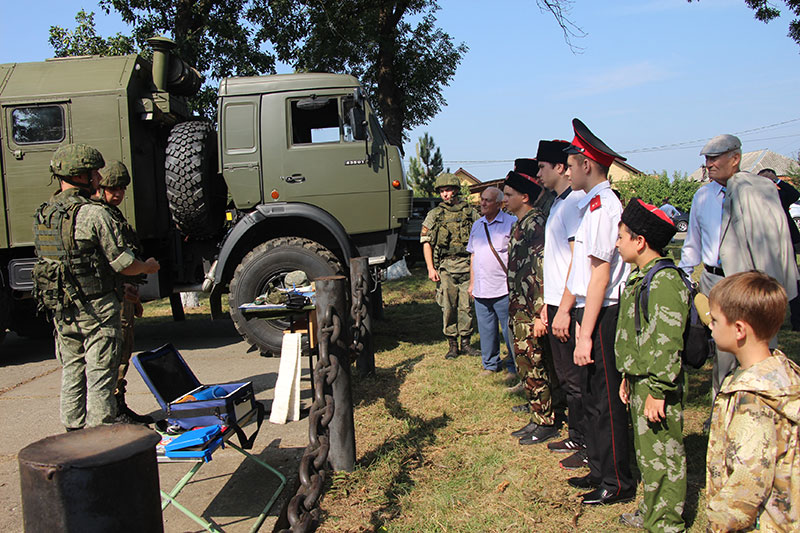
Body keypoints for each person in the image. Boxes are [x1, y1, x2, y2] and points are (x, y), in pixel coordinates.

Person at [32, 144, 161, 431]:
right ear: (80, 176)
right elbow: (124, 264)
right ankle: (101, 439)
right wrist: (147, 267)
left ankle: (73, 432)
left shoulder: (45, 214)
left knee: (72, 370)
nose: (98, 179)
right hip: (97, 309)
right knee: (101, 374)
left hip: (62, 309)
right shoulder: (93, 214)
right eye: (94, 174)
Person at [680, 134, 798, 400]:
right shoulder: (702, 196)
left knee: (757, 348)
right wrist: (685, 275)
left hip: (748, 281)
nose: (708, 164)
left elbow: (774, 238)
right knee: (723, 352)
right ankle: (721, 407)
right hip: (714, 281)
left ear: (735, 158)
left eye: (714, 158)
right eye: (706, 159)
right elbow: (693, 242)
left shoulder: (759, 190)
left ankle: (762, 402)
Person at [562, 119, 634, 505]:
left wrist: (586, 333)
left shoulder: (605, 207)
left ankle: (617, 480)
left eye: (571, 165)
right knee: (592, 397)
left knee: (606, 400)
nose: (567, 172)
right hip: (588, 311)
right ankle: (599, 467)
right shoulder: (591, 206)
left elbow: (600, 274)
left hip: (602, 313)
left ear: (587, 164)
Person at [705, 271, 800, 532]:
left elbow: (747, 482)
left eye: (715, 320)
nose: (710, 325)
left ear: (739, 330)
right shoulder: (781, 374)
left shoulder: (753, 401)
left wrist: (718, 524)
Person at [615, 199, 687, 532]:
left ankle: (667, 523)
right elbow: (639, 335)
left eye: (621, 237)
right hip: (641, 379)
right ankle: (652, 510)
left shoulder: (663, 281)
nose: (617, 243)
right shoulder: (642, 276)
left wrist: (659, 390)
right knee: (648, 455)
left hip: (657, 383)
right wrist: (628, 376)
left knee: (664, 456)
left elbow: (668, 341)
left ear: (640, 241)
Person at [536, 139, 589, 469]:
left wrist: (565, 308)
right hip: (556, 301)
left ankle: (585, 440)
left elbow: (575, 261)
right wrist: (548, 303)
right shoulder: (559, 203)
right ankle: (577, 434)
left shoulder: (575, 203)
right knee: (566, 375)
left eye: (543, 167)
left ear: (559, 168)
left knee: (576, 378)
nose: (538, 173)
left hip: (569, 303)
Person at [503, 166, 559, 445]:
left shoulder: (535, 224)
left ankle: (545, 421)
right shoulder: (519, 224)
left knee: (534, 364)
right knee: (526, 364)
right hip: (519, 306)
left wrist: (540, 313)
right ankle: (537, 415)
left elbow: (542, 270)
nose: (504, 200)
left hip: (531, 310)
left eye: (508, 194)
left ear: (524, 197)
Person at [95, 161, 153, 424]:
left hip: (125, 294)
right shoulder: (99, 216)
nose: (118, 194)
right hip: (113, 296)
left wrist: (135, 297)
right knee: (115, 353)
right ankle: (114, 411)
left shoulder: (112, 214)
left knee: (124, 350)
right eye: (113, 189)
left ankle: (119, 405)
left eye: (122, 189)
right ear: (101, 188)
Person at [421, 172, 480, 358]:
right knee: (448, 307)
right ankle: (452, 344)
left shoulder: (470, 213)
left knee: (466, 307)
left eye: (448, 190)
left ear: (456, 190)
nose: (445, 194)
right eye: (442, 191)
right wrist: (430, 268)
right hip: (446, 267)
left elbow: (482, 237)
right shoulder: (435, 215)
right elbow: (426, 242)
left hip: (467, 265)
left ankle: (466, 343)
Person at [466, 186, 517, 377]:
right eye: (482, 199)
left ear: (499, 204)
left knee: (509, 331)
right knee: (486, 330)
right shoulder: (477, 225)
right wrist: (472, 283)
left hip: (503, 288)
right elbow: (473, 256)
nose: (483, 203)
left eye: (487, 200)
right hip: (481, 288)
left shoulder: (511, 223)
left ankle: (514, 366)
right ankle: (490, 364)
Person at [757, 167, 800, 330]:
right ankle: (772, 319)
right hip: (765, 246)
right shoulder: (755, 199)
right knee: (769, 284)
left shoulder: (779, 195)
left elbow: (795, 195)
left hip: (786, 243)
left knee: (793, 281)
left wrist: (778, 180)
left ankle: (797, 320)